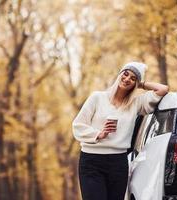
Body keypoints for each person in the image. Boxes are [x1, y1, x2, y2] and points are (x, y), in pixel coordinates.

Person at [72, 62, 169, 200]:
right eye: (125, 73)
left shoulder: (136, 104)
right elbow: (78, 125)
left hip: (118, 163)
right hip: (91, 161)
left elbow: (163, 89)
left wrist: (141, 84)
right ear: (119, 74)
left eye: (133, 78)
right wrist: (99, 134)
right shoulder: (97, 98)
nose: (127, 78)